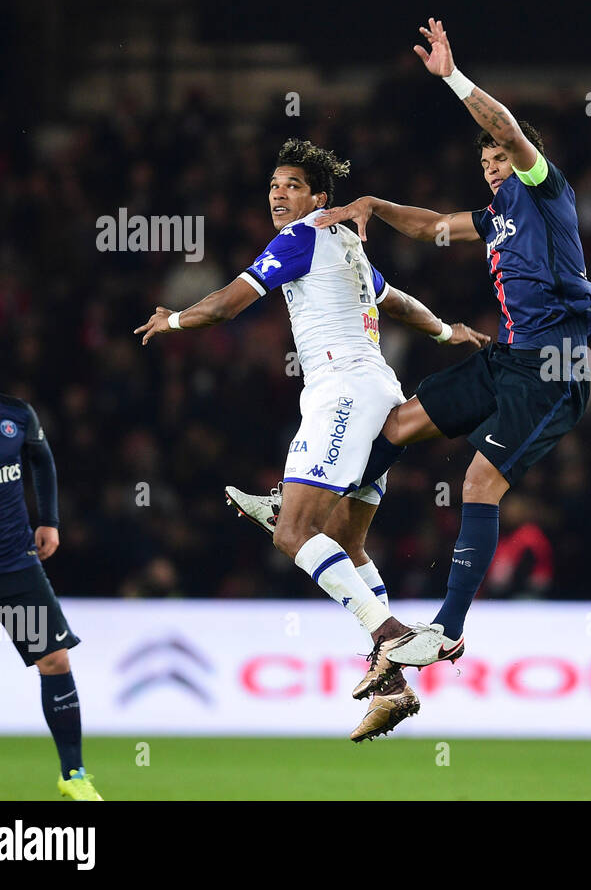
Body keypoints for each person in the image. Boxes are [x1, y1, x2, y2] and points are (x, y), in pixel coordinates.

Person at [134, 139, 490, 742]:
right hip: (379, 391)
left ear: (319, 198)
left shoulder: (300, 238)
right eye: (274, 185)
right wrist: (443, 329)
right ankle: (395, 685)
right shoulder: (345, 244)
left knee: (293, 532)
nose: (278, 194)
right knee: (346, 545)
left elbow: (227, 305)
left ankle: (392, 637)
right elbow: (392, 300)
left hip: (343, 393)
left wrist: (172, 320)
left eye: (293, 185)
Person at [315, 18, 591, 688]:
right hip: (510, 359)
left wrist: (451, 78)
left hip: (553, 367)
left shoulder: (544, 191)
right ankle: (310, 504)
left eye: (499, 158)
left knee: (478, 481)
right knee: (398, 426)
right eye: (484, 163)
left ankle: (445, 632)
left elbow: (504, 127)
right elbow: (431, 225)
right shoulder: (495, 217)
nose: (493, 165)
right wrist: (373, 203)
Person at [0, 321, 102, 800]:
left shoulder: (17, 415)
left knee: (55, 660)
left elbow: (43, 461)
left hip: (17, 566)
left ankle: (73, 776)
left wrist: (49, 520)